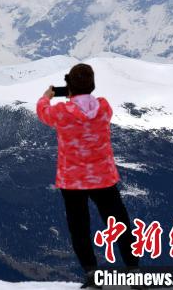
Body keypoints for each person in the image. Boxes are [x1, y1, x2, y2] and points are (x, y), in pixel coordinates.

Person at [36, 63, 138, 289]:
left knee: (79, 228)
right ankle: (133, 270)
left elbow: (43, 112)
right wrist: (75, 94)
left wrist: (47, 96)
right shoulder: (103, 108)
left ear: (69, 86)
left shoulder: (61, 113)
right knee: (120, 223)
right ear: (92, 85)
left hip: (72, 182)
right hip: (103, 178)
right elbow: (90, 104)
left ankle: (92, 275)